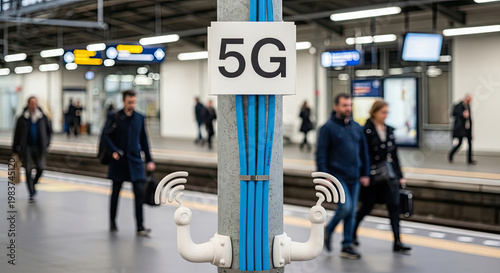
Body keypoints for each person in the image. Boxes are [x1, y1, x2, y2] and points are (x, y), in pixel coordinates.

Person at [352, 100, 412, 253]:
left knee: (394, 207)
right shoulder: (365, 130)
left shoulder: (389, 130)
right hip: (372, 177)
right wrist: (363, 175)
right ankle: (351, 234)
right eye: (383, 112)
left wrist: (400, 175)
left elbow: (394, 155)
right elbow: (362, 155)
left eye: (387, 113)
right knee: (366, 207)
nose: (385, 116)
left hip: (389, 177)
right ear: (375, 112)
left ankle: (397, 241)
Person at [316, 93, 370, 259]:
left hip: (355, 175)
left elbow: (364, 152)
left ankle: (346, 246)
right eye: (344, 105)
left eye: (350, 105)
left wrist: (365, 173)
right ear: (336, 107)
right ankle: (328, 230)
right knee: (345, 207)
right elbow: (321, 154)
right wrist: (324, 176)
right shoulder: (327, 128)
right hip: (337, 176)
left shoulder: (356, 127)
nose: (348, 108)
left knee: (352, 211)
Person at [103, 90, 156, 236]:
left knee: (139, 194)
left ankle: (140, 226)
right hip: (119, 161)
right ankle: (112, 221)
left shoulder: (140, 118)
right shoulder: (114, 117)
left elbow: (144, 140)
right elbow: (105, 136)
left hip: (135, 161)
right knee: (115, 192)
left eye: (134, 102)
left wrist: (149, 160)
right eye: (129, 102)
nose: (132, 105)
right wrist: (113, 151)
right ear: (123, 102)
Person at [12, 96, 52, 203]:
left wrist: (47, 144)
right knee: (28, 169)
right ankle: (31, 192)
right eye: (31, 103)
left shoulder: (42, 117)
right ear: (28, 104)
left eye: (35, 103)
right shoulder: (22, 118)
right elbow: (16, 135)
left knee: (40, 168)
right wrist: (14, 150)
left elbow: (49, 132)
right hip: (26, 148)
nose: (33, 105)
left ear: (37, 104)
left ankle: (33, 184)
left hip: (39, 147)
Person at [448, 94, 476, 165]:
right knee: (460, 143)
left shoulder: (468, 106)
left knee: (470, 143)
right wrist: (462, 114)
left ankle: (469, 160)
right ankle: (451, 154)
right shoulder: (458, 106)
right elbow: (453, 114)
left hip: (467, 128)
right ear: (465, 98)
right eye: (468, 99)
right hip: (461, 129)